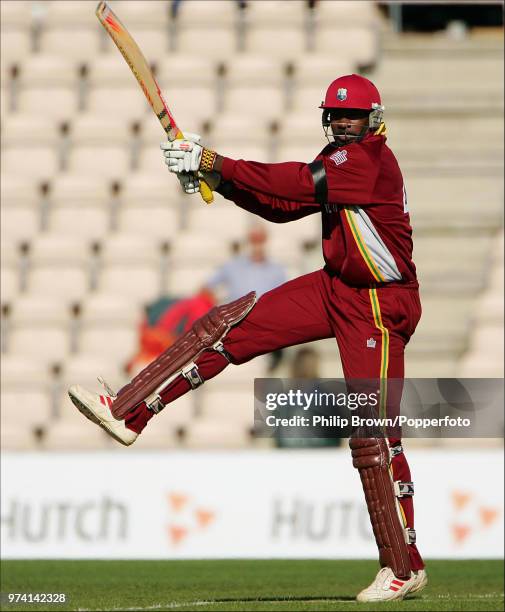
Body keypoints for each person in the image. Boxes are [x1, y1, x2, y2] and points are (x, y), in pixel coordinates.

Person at [69, 74, 426, 602]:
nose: (343, 123)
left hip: (378, 302)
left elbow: (293, 183)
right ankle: (128, 412)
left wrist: (213, 160)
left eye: (352, 116)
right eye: (335, 115)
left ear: (373, 119)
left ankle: (403, 565)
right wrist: (221, 180)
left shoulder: (369, 160)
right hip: (337, 288)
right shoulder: (337, 159)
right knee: (229, 323)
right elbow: (278, 208)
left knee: (373, 436)